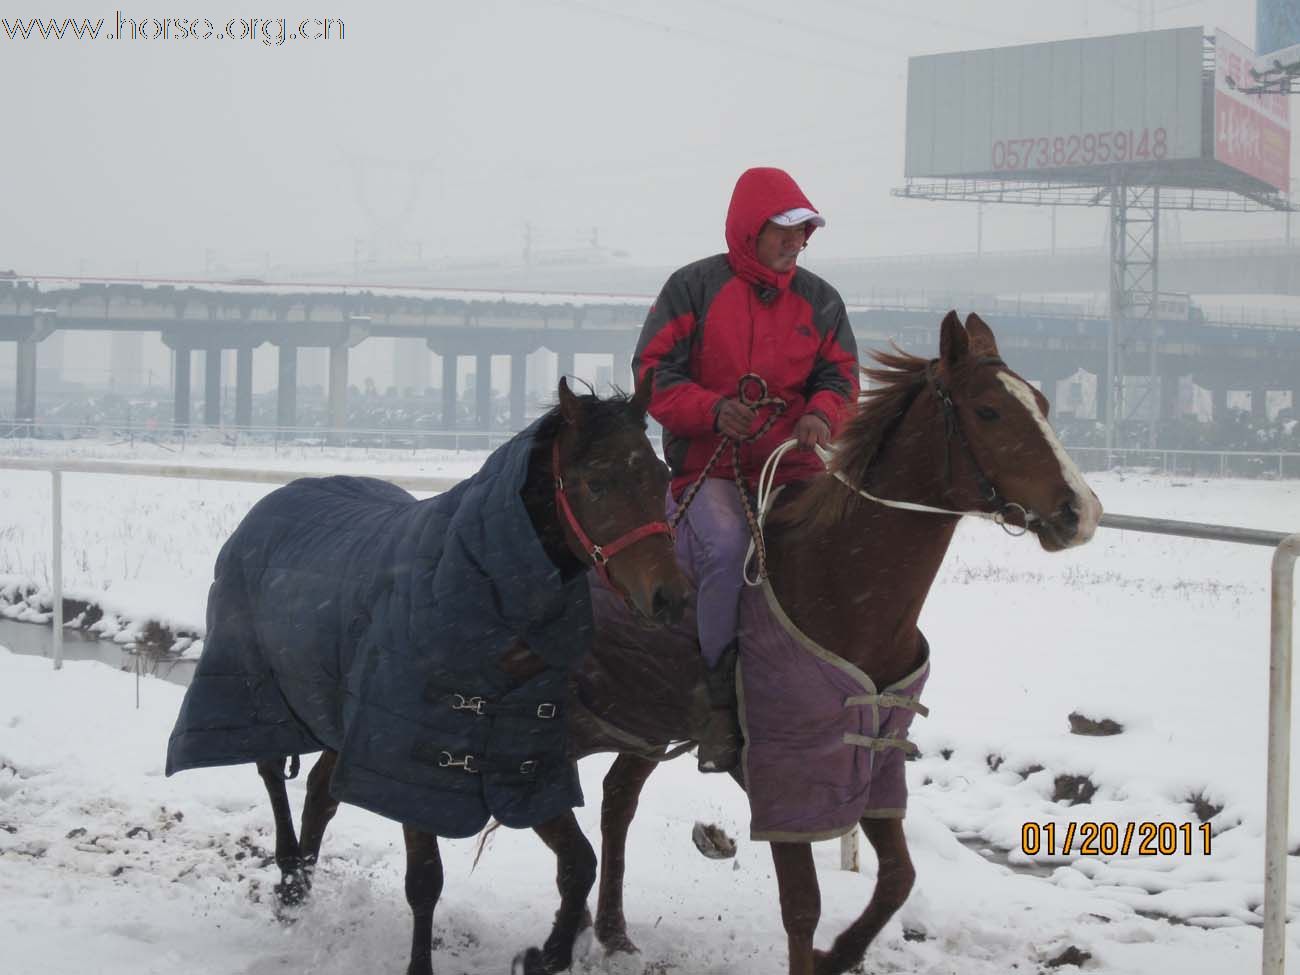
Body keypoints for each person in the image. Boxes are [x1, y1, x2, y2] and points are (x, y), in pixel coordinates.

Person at [632, 167, 860, 772]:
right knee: (731, 548)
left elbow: (840, 377)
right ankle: (718, 703)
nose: (797, 242)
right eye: (785, 230)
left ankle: (846, 685)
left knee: (848, 543)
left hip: (793, 467)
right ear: (750, 228)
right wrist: (711, 410)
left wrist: (822, 413)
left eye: (804, 231)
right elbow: (653, 374)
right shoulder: (692, 288)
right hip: (709, 470)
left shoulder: (821, 300)